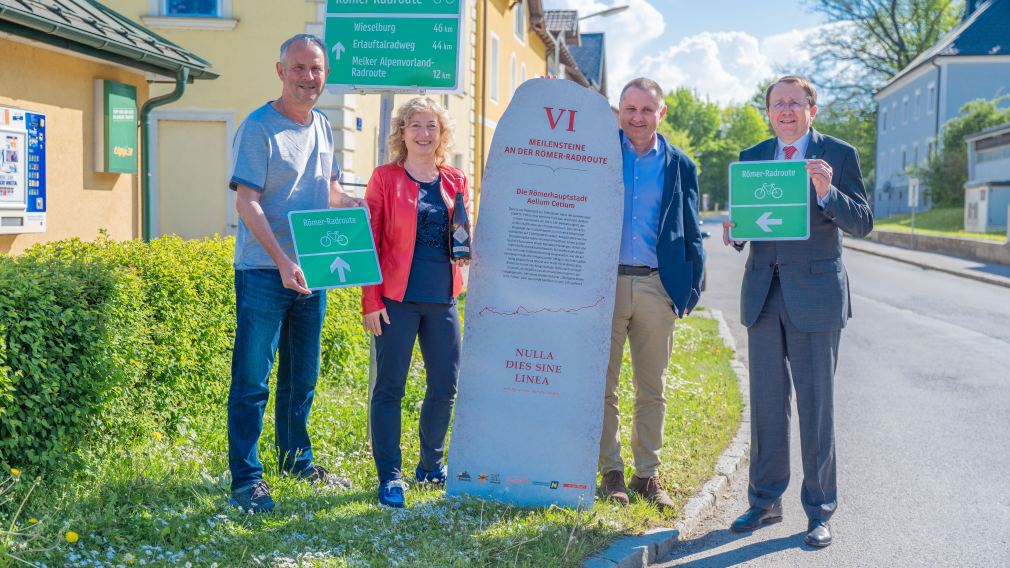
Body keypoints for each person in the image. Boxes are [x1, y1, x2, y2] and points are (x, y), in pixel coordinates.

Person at [722, 76, 873, 547]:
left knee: (816, 408)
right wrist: (736, 230)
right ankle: (765, 501)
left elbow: (863, 222)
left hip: (817, 297)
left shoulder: (839, 155)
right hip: (763, 295)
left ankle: (820, 510)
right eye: (777, 103)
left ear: (812, 109)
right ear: (768, 112)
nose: (785, 110)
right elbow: (752, 222)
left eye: (794, 102)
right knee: (767, 406)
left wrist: (827, 192)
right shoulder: (753, 157)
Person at [227, 34, 362, 514]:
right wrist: (283, 261)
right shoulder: (259, 127)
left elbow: (330, 191)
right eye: (299, 68)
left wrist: (359, 205)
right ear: (281, 71)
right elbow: (247, 202)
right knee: (252, 381)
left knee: (301, 377)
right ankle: (247, 480)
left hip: (314, 271)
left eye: (316, 69)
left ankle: (295, 461)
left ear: (326, 74)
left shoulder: (323, 125)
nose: (309, 77)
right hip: (265, 271)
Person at [598, 77, 704, 512]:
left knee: (651, 388)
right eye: (630, 109)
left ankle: (646, 475)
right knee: (601, 385)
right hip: (602, 285)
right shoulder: (598, 151)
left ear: (662, 113)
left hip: (656, 286)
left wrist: (690, 289)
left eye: (646, 110)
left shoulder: (681, 165)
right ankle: (611, 473)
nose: (637, 117)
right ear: (619, 110)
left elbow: (691, 228)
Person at [361, 97, 470, 508]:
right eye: (416, 126)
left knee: (445, 385)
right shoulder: (385, 178)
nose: (424, 134)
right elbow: (369, 241)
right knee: (390, 388)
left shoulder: (455, 179)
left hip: (443, 298)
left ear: (441, 134)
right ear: (402, 132)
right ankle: (390, 477)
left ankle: (430, 467)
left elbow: (463, 232)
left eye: (432, 126)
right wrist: (370, 300)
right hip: (396, 300)